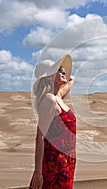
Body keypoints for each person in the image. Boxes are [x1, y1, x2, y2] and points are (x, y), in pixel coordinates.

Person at [29, 54, 76, 189]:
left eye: (63, 70)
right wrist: (38, 172)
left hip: (68, 160)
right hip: (56, 162)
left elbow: (72, 79)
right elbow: (40, 136)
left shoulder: (58, 96)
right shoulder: (49, 100)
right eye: (59, 70)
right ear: (49, 76)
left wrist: (62, 75)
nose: (64, 72)